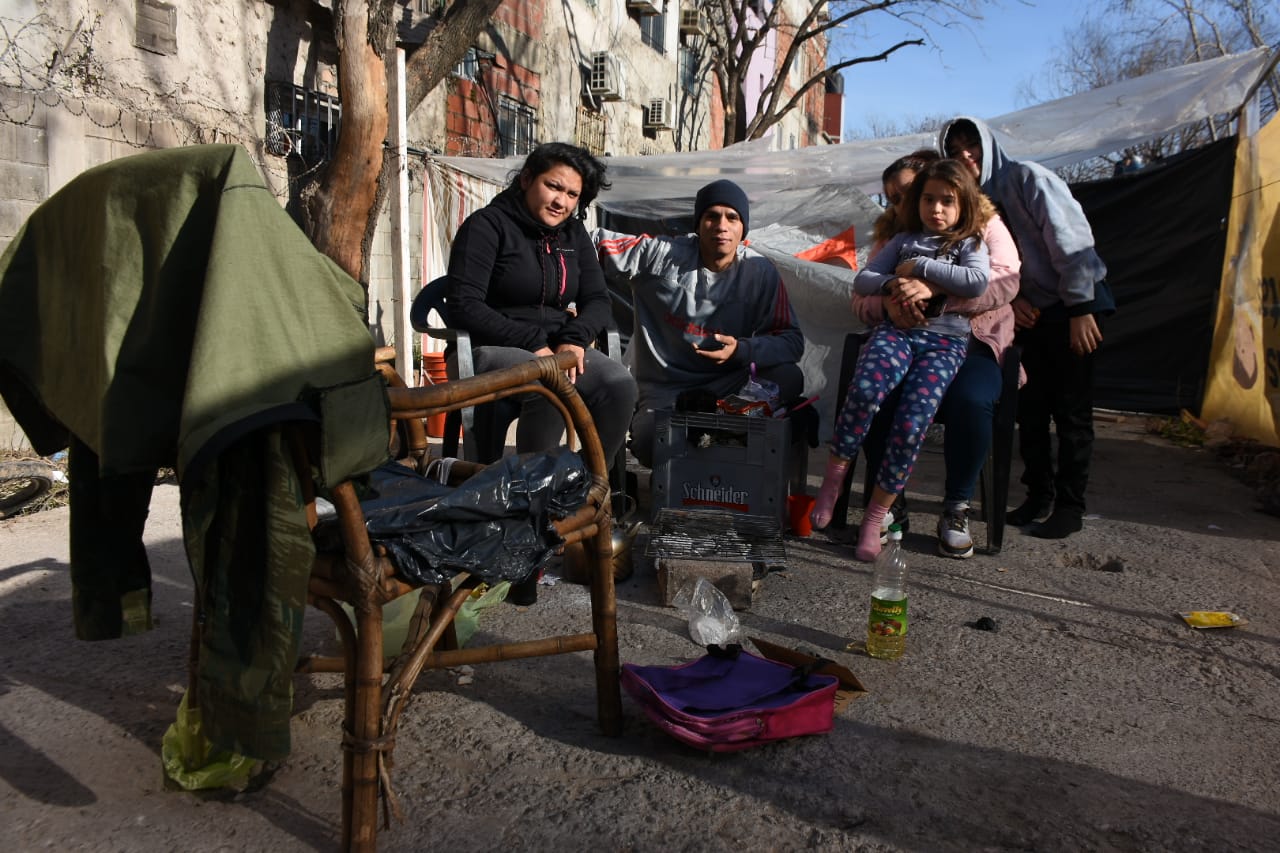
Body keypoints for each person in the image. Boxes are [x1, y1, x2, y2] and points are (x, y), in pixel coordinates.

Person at [941, 117, 1115, 539]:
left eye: (972, 145)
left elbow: (1070, 240)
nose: (966, 155)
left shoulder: (1027, 178)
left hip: (1076, 306)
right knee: (1031, 411)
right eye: (956, 149)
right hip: (1029, 315)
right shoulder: (973, 205)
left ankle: (1070, 506)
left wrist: (1080, 307)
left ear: (987, 145)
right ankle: (1039, 495)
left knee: (1071, 412)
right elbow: (996, 267)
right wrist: (1014, 300)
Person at [810, 159, 991, 561]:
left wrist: (922, 270)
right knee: (866, 391)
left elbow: (978, 283)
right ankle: (833, 481)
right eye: (929, 199)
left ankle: (876, 517)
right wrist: (894, 281)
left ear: (965, 205)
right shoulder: (904, 239)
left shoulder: (970, 244)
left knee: (912, 424)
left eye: (948, 201)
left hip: (943, 346)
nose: (937, 209)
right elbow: (864, 279)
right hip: (897, 334)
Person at [851, 149, 1022, 558]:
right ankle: (890, 503)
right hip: (906, 338)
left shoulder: (982, 222)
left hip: (972, 340)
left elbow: (1005, 282)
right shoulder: (895, 234)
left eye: (907, 192)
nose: (901, 203)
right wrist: (890, 303)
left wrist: (937, 293)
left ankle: (956, 506)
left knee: (971, 399)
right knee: (877, 392)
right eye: (892, 197)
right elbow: (860, 295)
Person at [444, 142, 639, 465]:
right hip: (485, 348)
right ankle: (531, 492)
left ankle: (587, 483)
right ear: (526, 180)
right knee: (549, 382)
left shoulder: (573, 235)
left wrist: (574, 339)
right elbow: (465, 305)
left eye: (572, 194)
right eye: (553, 186)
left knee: (620, 385)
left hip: (555, 348)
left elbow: (597, 300)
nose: (561, 201)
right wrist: (532, 342)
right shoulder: (487, 226)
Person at [594, 179, 805, 467]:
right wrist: (573, 308)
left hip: (732, 391)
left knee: (790, 377)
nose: (722, 225)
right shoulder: (662, 254)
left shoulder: (759, 272)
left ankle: (718, 430)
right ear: (697, 224)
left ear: (743, 229)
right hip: (667, 391)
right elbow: (590, 244)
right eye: (712, 216)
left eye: (732, 217)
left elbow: (791, 341)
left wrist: (743, 350)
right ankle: (713, 440)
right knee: (647, 442)